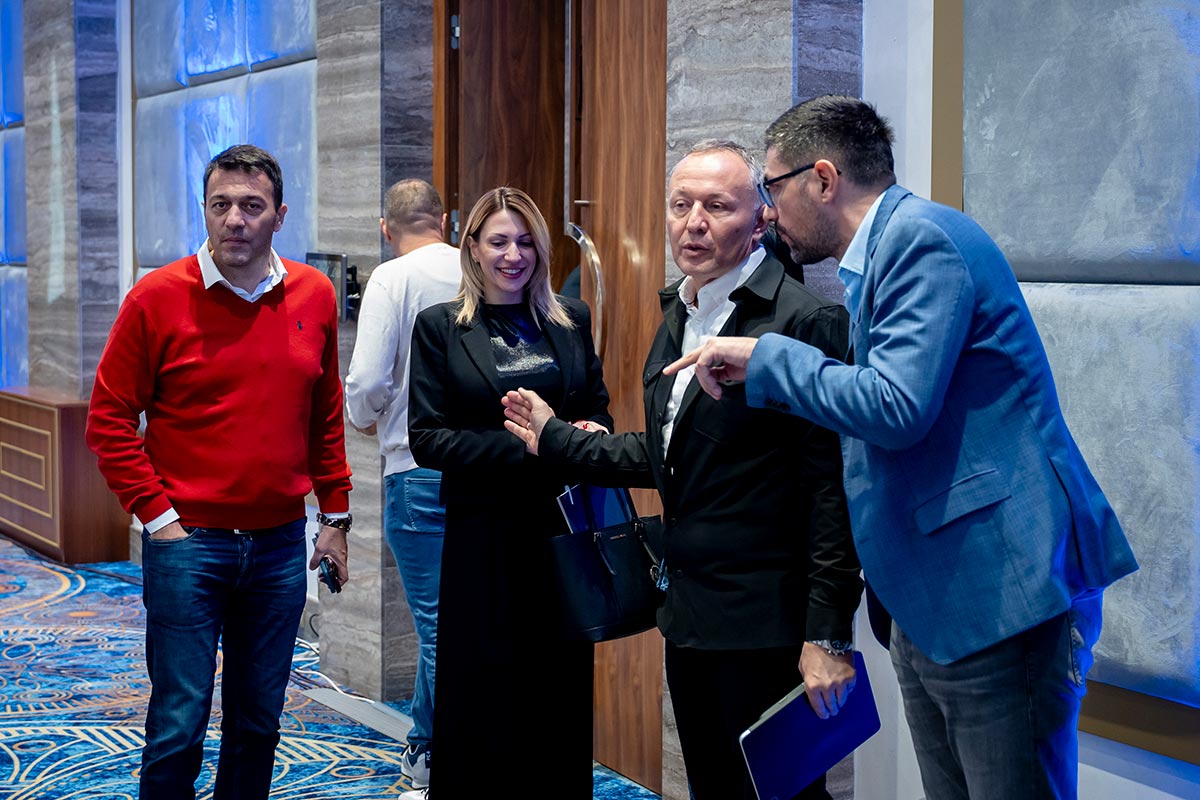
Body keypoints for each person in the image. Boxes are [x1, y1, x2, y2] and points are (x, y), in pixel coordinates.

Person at [667, 96, 1139, 800]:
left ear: (822, 180)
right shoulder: (881, 254)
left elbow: (896, 408)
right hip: (940, 600)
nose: (767, 210)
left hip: (999, 593)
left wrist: (766, 357)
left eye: (772, 187)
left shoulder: (920, 240)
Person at [501, 141, 862, 800]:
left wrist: (828, 634)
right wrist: (558, 441)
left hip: (768, 625)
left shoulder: (804, 321)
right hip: (687, 611)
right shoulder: (681, 310)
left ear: (760, 218)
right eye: (680, 205)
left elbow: (832, 491)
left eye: (716, 206)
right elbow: (669, 454)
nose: (693, 222)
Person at [85, 144, 353, 799]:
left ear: (279, 216)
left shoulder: (313, 295)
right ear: (204, 211)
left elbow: (324, 417)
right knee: (178, 725)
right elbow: (109, 420)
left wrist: (336, 518)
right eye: (221, 204)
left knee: (259, 723)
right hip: (189, 545)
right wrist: (159, 519)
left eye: (252, 206)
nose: (235, 219)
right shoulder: (156, 298)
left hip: (280, 546)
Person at [407, 187, 612, 798]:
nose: (513, 255)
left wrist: (587, 432)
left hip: (562, 534)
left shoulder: (570, 319)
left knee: (558, 689)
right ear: (471, 246)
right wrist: (531, 444)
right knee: (483, 690)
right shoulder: (441, 327)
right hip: (483, 538)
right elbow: (427, 439)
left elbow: (597, 408)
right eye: (498, 241)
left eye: (525, 242)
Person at [343, 179, 459, 793]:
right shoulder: (479, 268)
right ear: (446, 220)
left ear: (385, 229)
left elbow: (366, 380)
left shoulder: (391, 278)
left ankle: (460, 761)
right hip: (479, 471)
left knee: (441, 631)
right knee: (452, 622)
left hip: (415, 471)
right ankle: (424, 747)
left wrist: (367, 417)